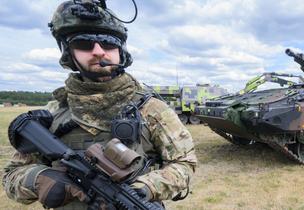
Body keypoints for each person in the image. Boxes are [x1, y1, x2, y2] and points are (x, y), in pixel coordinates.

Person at [2, 1, 197, 209]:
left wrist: (145, 189)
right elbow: (11, 176)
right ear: (69, 52)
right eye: (84, 43)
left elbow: (185, 164)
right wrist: (37, 178)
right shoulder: (52, 114)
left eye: (107, 43)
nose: (98, 51)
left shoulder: (152, 109)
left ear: (121, 50)